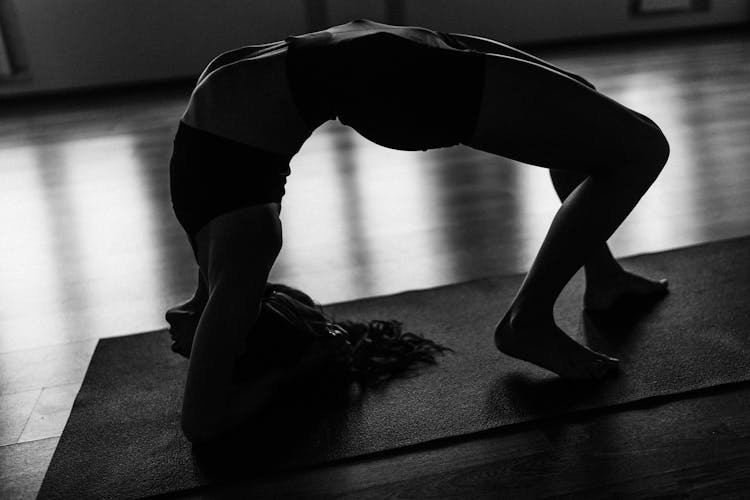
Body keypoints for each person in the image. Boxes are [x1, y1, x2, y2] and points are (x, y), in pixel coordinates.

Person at [165, 19, 670, 445]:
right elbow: (200, 424)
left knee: (583, 104)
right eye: (210, 340)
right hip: (390, 80)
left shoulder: (219, 257)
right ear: (249, 330)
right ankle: (529, 320)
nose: (174, 333)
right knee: (641, 148)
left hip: (383, 56)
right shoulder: (241, 259)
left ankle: (603, 278)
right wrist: (296, 371)